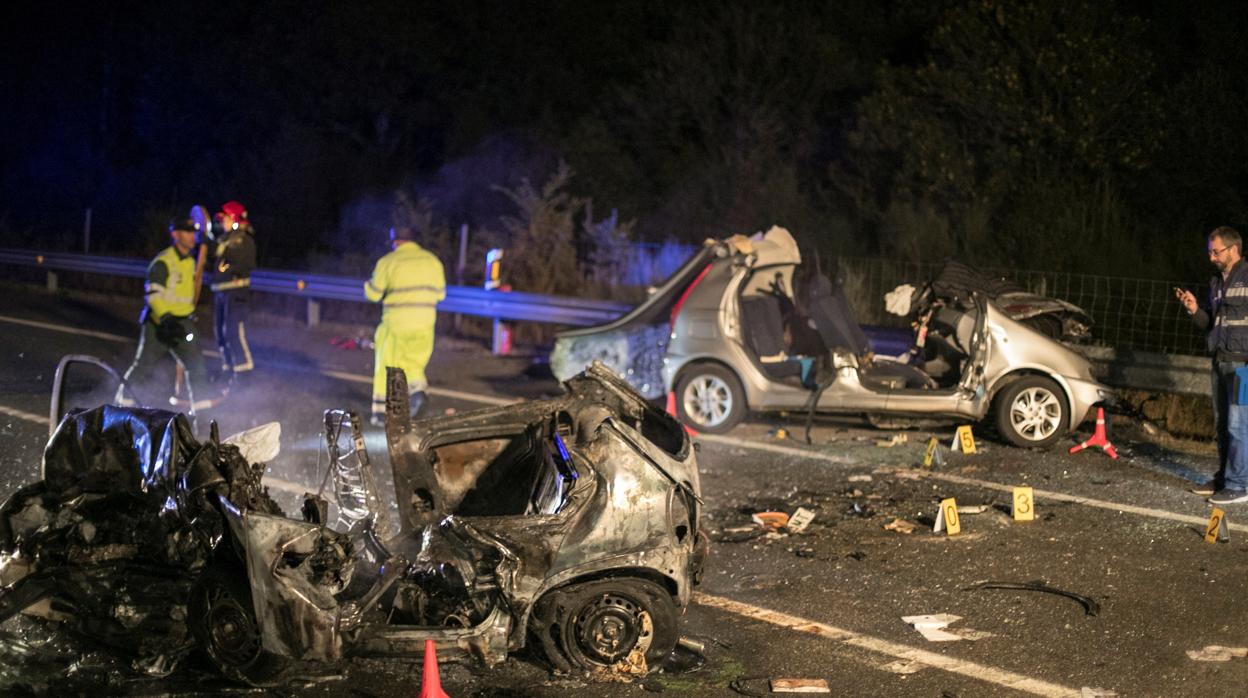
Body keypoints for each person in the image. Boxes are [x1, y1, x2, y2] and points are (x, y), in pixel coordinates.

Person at [1176, 226, 1248, 504]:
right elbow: (1211, 324)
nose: (1211, 257)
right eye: (1209, 251)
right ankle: (1224, 478)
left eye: (1215, 251)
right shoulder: (1216, 282)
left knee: (1239, 425)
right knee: (1222, 425)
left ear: (1233, 249)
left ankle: (1240, 484)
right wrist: (1195, 310)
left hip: (1243, 364)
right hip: (1219, 360)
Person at [118, 217, 210, 408]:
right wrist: (166, 319)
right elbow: (153, 295)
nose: (193, 236)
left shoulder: (190, 261)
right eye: (187, 232)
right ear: (175, 234)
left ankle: (202, 417)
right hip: (159, 324)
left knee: (196, 368)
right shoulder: (163, 262)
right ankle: (119, 407)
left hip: (183, 324)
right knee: (142, 366)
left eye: (194, 232)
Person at [364, 226, 446, 426]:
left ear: (395, 242)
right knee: (414, 362)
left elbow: (373, 294)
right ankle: (418, 392)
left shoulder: (388, 262)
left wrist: (367, 285)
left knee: (388, 364)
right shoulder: (432, 261)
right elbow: (441, 294)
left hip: (396, 324)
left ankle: (384, 413)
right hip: (425, 322)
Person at [210, 200, 257, 383]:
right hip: (222, 294)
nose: (222, 222)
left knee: (233, 332)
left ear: (235, 219)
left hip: (236, 295)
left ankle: (244, 373)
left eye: (226, 218)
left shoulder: (244, 241)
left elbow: (245, 264)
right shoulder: (224, 240)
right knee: (220, 333)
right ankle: (228, 368)